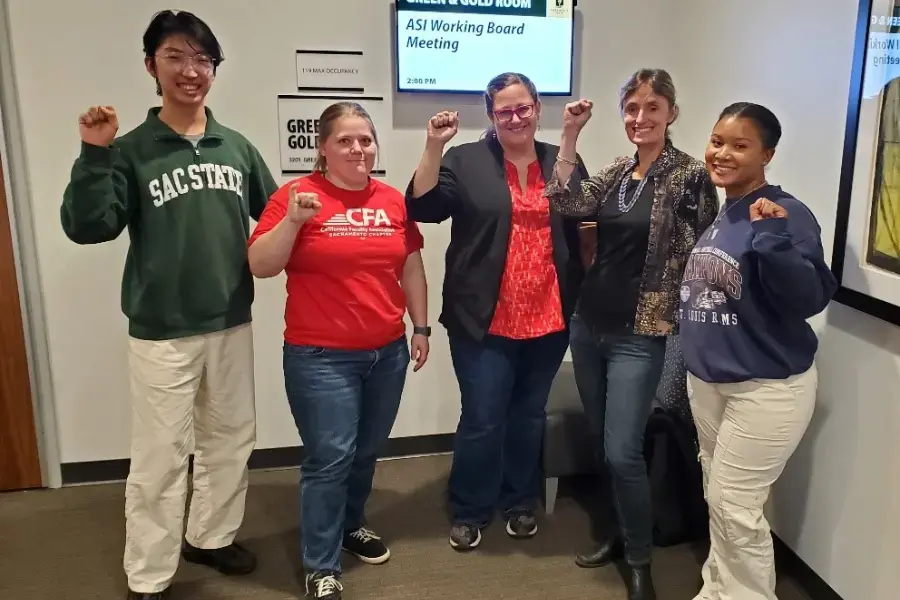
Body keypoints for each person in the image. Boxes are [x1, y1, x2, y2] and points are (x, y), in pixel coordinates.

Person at [59, 11, 276, 600]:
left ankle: (209, 536)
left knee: (231, 438)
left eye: (203, 59)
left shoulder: (237, 147)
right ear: (150, 65)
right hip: (161, 331)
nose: (191, 70)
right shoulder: (128, 150)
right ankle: (149, 575)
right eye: (176, 56)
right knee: (161, 457)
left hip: (232, 319)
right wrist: (94, 155)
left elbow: (277, 214)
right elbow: (89, 227)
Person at [545, 68, 718, 600]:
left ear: (670, 112)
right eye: (631, 109)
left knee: (623, 450)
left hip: (639, 333)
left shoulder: (689, 173)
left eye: (651, 108)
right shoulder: (620, 170)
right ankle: (619, 535)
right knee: (604, 445)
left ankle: (640, 560)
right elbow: (567, 202)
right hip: (588, 324)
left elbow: (706, 244)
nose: (639, 118)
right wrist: (570, 135)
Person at [248, 101, 429, 600]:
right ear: (322, 148)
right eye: (345, 140)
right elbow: (260, 265)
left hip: (386, 352)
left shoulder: (392, 200)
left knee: (366, 451)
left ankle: (351, 524)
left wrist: (422, 326)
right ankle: (320, 564)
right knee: (330, 457)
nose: (357, 148)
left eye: (365, 139)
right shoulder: (297, 195)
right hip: (319, 357)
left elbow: (410, 266)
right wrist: (291, 223)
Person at [406, 72, 587, 551]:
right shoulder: (465, 160)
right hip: (482, 317)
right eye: (504, 110)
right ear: (490, 114)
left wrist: (570, 136)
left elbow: (574, 206)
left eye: (523, 107)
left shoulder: (558, 160)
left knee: (528, 416)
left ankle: (520, 500)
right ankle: (469, 506)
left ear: (537, 108)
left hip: (549, 315)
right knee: (484, 416)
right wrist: (432, 145)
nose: (515, 117)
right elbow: (423, 207)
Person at [679, 102, 837, 600]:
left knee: (733, 504)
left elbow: (808, 298)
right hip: (710, 383)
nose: (722, 153)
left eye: (740, 145)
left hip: (765, 387)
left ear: (767, 153)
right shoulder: (725, 211)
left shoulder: (784, 212)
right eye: (717, 141)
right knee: (720, 497)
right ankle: (718, 588)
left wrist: (772, 238)